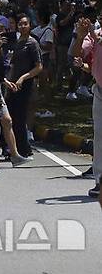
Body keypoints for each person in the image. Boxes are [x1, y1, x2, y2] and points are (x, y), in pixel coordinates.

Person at [0, 22, 31, 166]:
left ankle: (14, 155)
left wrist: (6, 82)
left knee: (6, 121)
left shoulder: (0, 50)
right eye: (1, 35)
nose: (4, 37)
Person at [72, 15, 102, 199]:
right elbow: (77, 53)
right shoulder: (95, 35)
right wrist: (81, 35)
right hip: (99, 90)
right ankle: (100, 180)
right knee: (99, 136)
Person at [6, 14, 43, 159]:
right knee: (11, 116)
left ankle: (24, 149)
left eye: (25, 24)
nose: (22, 26)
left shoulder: (32, 43)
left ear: (29, 26)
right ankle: (13, 148)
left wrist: (23, 77)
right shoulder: (16, 42)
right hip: (12, 83)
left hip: (25, 84)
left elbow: (39, 67)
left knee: (20, 117)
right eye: (20, 24)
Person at [55, 0, 76, 90]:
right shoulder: (59, 16)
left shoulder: (72, 16)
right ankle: (58, 84)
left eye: (69, 5)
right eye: (66, 5)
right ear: (62, 6)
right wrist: (70, 14)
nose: (68, 7)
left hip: (71, 44)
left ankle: (72, 84)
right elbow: (62, 23)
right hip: (62, 45)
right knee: (61, 65)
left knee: (72, 65)